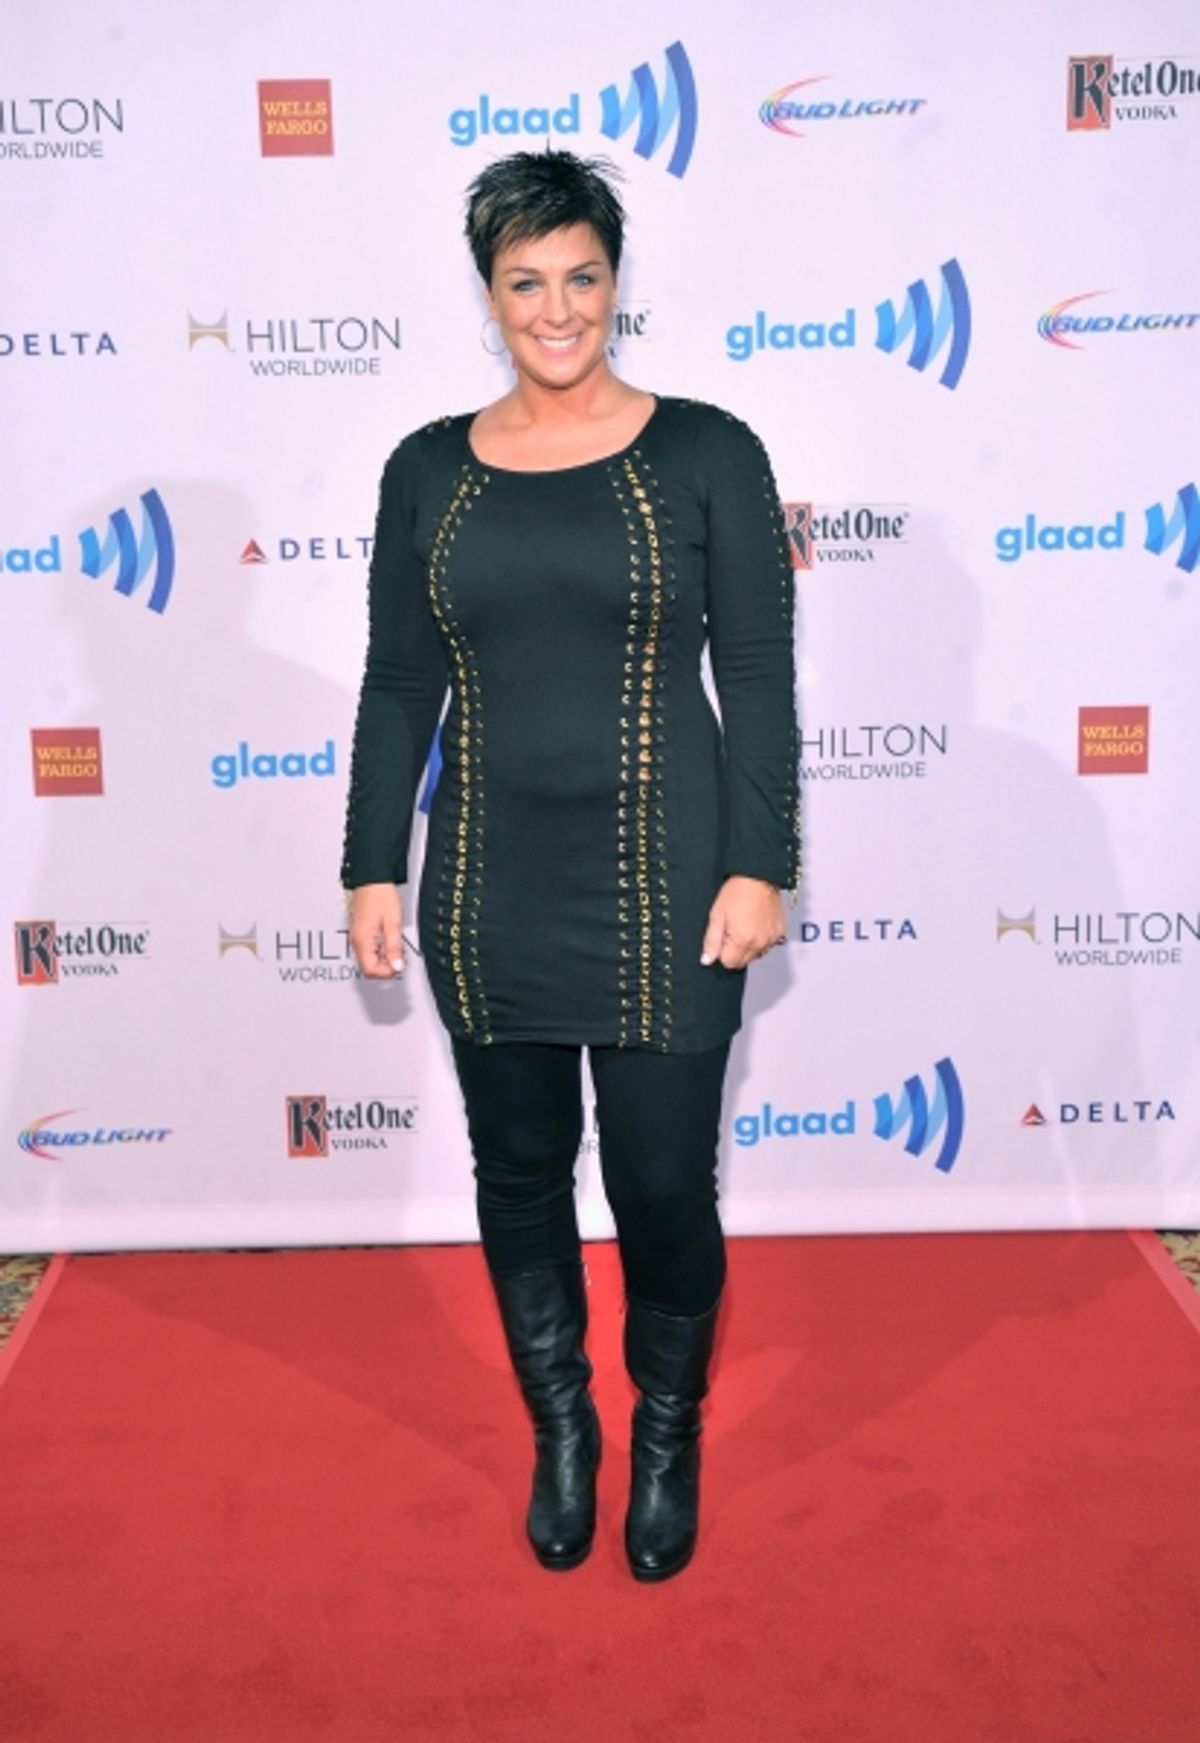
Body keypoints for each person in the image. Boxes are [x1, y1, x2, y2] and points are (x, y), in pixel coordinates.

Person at [341, 150, 799, 1583]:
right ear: (489, 297)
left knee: (665, 1185)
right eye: (525, 282)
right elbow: (397, 685)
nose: (557, 309)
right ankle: (564, 1428)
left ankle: (667, 1429)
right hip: (487, 883)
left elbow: (764, 677)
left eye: (580, 277)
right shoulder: (429, 470)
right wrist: (370, 865)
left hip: (677, 884)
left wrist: (762, 859)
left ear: (616, 281)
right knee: (521, 1176)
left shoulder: (710, 451)